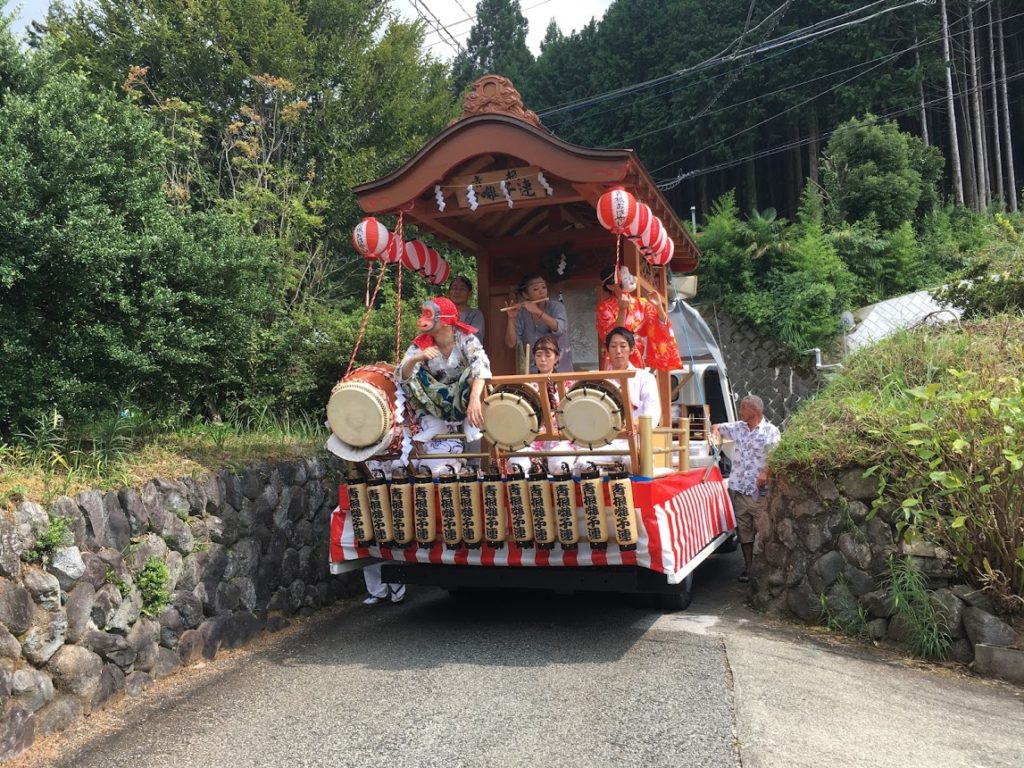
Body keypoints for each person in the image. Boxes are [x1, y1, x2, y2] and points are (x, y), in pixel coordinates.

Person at [397, 296, 491, 477]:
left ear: (445, 321)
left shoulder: (465, 338)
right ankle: (433, 424)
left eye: (429, 315)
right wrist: (416, 359)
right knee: (408, 377)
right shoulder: (421, 343)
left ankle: (470, 427)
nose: (423, 319)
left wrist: (474, 400)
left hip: (464, 396)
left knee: (473, 375)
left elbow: (481, 365)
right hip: (436, 401)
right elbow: (402, 375)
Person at [712, 395, 781, 584]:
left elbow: (775, 456)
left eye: (743, 407)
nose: (740, 410)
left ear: (755, 411)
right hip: (740, 490)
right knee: (744, 532)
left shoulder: (770, 431)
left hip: (760, 492)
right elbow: (717, 426)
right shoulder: (739, 427)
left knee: (764, 531)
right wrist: (715, 434)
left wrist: (765, 472)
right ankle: (749, 568)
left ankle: (766, 569)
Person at [574, 327, 660, 473]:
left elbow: (653, 411)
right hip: (604, 441)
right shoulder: (598, 379)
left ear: (632, 349)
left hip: (635, 439)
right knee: (582, 465)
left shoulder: (645, 378)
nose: (618, 351)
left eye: (623, 346)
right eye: (613, 346)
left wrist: (636, 424)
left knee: (633, 463)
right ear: (607, 350)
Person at [507, 335, 575, 476]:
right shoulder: (527, 386)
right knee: (516, 464)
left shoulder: (568, 384)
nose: (543, 359)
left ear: (556, 358)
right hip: (533, 439)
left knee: (560, 465)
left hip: (561, 439)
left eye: (548, 355)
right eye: (539, 355)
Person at [595, 265, 681, 371]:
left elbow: (659, 325)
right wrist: (622, 310)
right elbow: (614, 337)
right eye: (622, 280)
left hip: (638, 357)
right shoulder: (604, 307)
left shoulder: (641, 303)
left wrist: (659, 307)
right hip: (616, 359)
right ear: (611, 287)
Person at [504, 273, 573, 372]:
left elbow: (559, 329)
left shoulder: (557, 307)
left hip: (560, 369)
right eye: (536, 289)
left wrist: (537, 312)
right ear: (525, 294)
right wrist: (511, 319)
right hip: (535, 370)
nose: (541, 292)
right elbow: (511, 344)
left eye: (544, 287)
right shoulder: (521, 314)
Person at [447, 275, 485, 342]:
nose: (457, 292)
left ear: (469, 293)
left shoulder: (475, 315)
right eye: (454, 288)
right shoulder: (443, 315)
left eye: (462, 289)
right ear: (449, 293)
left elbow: (475, 340)